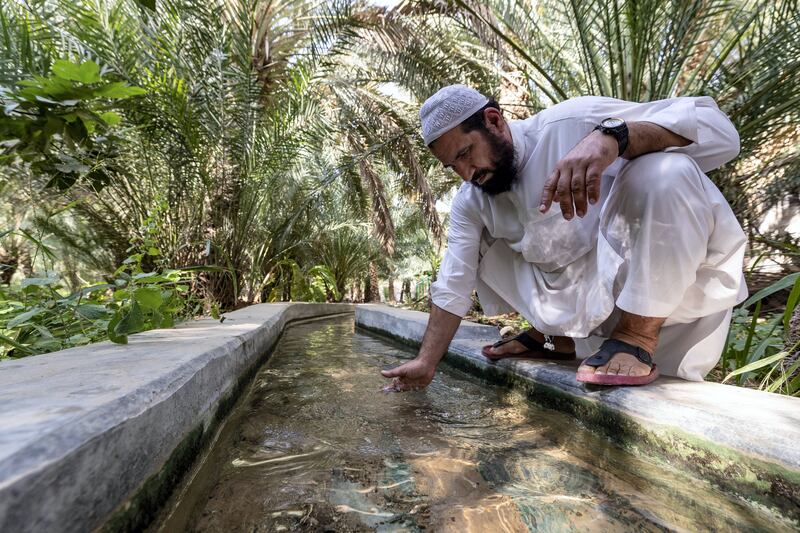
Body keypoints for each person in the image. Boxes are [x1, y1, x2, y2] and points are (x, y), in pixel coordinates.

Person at [381, 84, 747, 391]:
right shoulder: (472, 199)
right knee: (478, 240)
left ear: (494, 121)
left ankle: (637, 335)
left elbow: (722, 135)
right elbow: (453, 281)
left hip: (663, 294)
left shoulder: (574, 123)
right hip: (584, 312)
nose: (466, 173)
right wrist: (426, 362)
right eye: (453, 166)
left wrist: (616, 137)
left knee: (665, 171)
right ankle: (554, 336)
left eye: (465, 154)